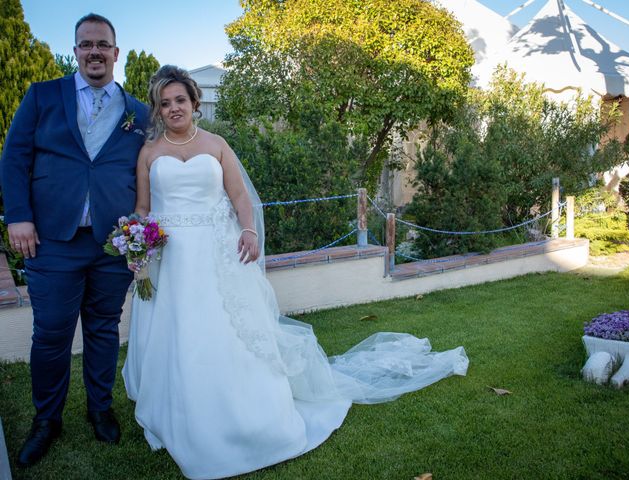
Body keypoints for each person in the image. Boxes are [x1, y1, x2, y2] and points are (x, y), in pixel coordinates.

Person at [123, 65, 468, 480]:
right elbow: (144, 207)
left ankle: (244, 415)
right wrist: (134, 240)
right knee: (180, 332)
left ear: (194, 102)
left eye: (180, 100)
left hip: (217, 255)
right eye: (165, 103)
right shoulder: (149, 153)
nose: (173, 108)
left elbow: (239, 196)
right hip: (172, 261)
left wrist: (248, 231)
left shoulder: (216, 145)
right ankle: (182, 412)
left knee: (225, 332)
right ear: (158, 111)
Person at [0, 13, 148, 467]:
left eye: (103, 44)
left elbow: (146, 172)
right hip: (51, 239)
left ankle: (99, 409)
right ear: (75, 51)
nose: (95, 52)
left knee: (104, 330)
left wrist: (139, 236)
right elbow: (14, 157)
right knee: (51, 335)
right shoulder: (43, 95)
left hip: (111, 242)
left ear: (116, 52)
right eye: (86, 45)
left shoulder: (139, 112)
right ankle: (47, 420)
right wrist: (19, 217)